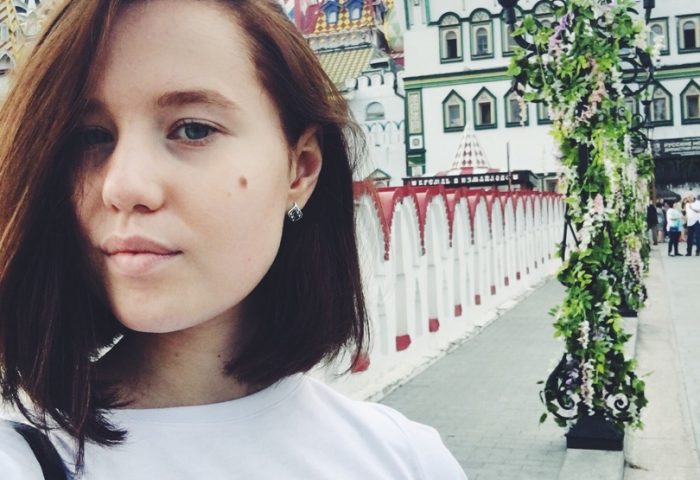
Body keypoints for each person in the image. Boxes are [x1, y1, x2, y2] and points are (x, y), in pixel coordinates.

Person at [0, 1, 467, 479]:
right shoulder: (21, 459)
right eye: (90, 137)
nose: (124, 187)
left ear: (300, 168)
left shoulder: (406, 460)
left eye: (193, 129)